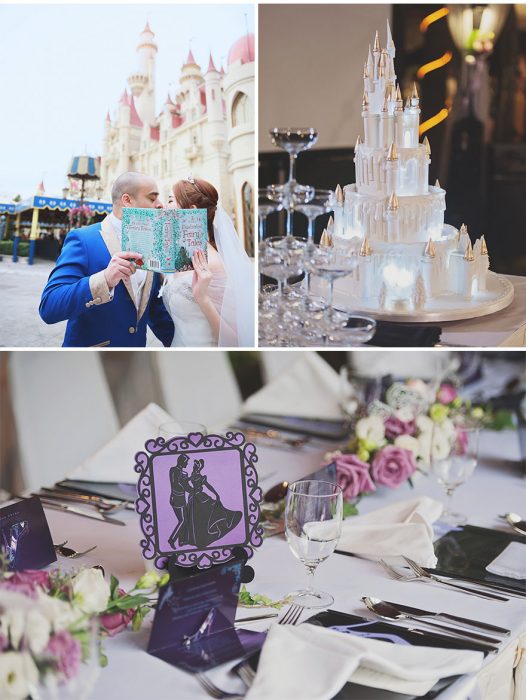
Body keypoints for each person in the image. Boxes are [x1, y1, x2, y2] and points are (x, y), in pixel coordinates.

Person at [39, 172, 174, 347]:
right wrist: (104, 280)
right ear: (127, 200)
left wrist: (183, 345)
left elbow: (154, 309)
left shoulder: (153, 243)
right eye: (152, 198)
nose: (160, 205)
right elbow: (49, 306)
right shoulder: (83, 239)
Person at [161, 177, 254, 347]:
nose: (164, 206)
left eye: (170, 200)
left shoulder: (213, 264)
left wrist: (202, 298)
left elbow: (235, 340)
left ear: (191, 210)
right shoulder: (177, 254)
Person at [184, 459, 242, 548]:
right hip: (194, 497)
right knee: (195, 518)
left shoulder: (199, 476)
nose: (194, 467)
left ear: (198, 468)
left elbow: (208, 485)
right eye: (194, 466)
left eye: (196, 466)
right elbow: (185, 482)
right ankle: (196, 539)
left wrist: (216, 494)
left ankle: (203, 536)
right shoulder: (192, 475)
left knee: (208, 513)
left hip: (198, 496)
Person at [167, 454, 190, 549]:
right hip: (177, 498)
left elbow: (184, 484)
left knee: (185, 519)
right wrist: (187, 485)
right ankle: (172, 539)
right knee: (182, 520)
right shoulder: (174, 470)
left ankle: (181, 541)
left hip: (180, 498)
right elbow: (176, 484)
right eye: (186, 462)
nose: (187, 464)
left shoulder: (182, 472)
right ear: (182, 461)